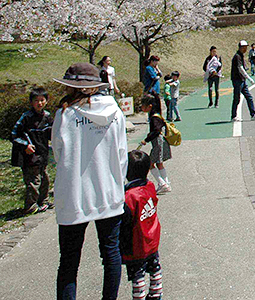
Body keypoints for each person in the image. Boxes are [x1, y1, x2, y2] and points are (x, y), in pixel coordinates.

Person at [52, 62, 128, 300]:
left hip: (74, 193)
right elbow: (122, 153)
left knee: (69, 261)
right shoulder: (114, 111)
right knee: (111, 254)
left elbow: (57, 153)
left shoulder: (64, 115)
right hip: (108, 190)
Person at [121, 150, 163, 300]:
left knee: (137, 274)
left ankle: (140, 297)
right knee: (154, 267)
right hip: (152, 237)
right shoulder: (150, 186)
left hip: (137, 243)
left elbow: (125, 220)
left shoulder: (129, 196)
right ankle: (156, 294)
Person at [11, 86, 53, 214]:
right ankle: (31, 205)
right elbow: (14, 135)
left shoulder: (47, 116)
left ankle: (44, 201)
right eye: (36, 100)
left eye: (42, 100)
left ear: (46, 101)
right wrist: (25, 146)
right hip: (29, 156)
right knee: (34, 180)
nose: (39, 103)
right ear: (31, 102)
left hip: (43, 154)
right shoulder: (26, 117)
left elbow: (53, 133)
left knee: (45, 178)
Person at [139, 94, 172, 194]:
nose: (142, 108)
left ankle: (162, 183)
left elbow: (156, 131)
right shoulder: (157, 114)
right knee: (159, 163)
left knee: (150, 163)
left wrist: (146, 139)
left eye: (143, 106)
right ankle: (166, 183)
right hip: (161, 141)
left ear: (150, 106)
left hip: (157, 142)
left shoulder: (154, 118)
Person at [231, 40, 255, 120]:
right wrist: (249, 78)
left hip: (242, 80)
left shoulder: (241, 55)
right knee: (237, 98)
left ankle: (253, 114)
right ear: (241, 47)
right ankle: (234, 116)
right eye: (244, 47)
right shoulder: (237, 56)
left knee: (249, 97)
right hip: (237, 80)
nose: (245, 49)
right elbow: (240, 68)